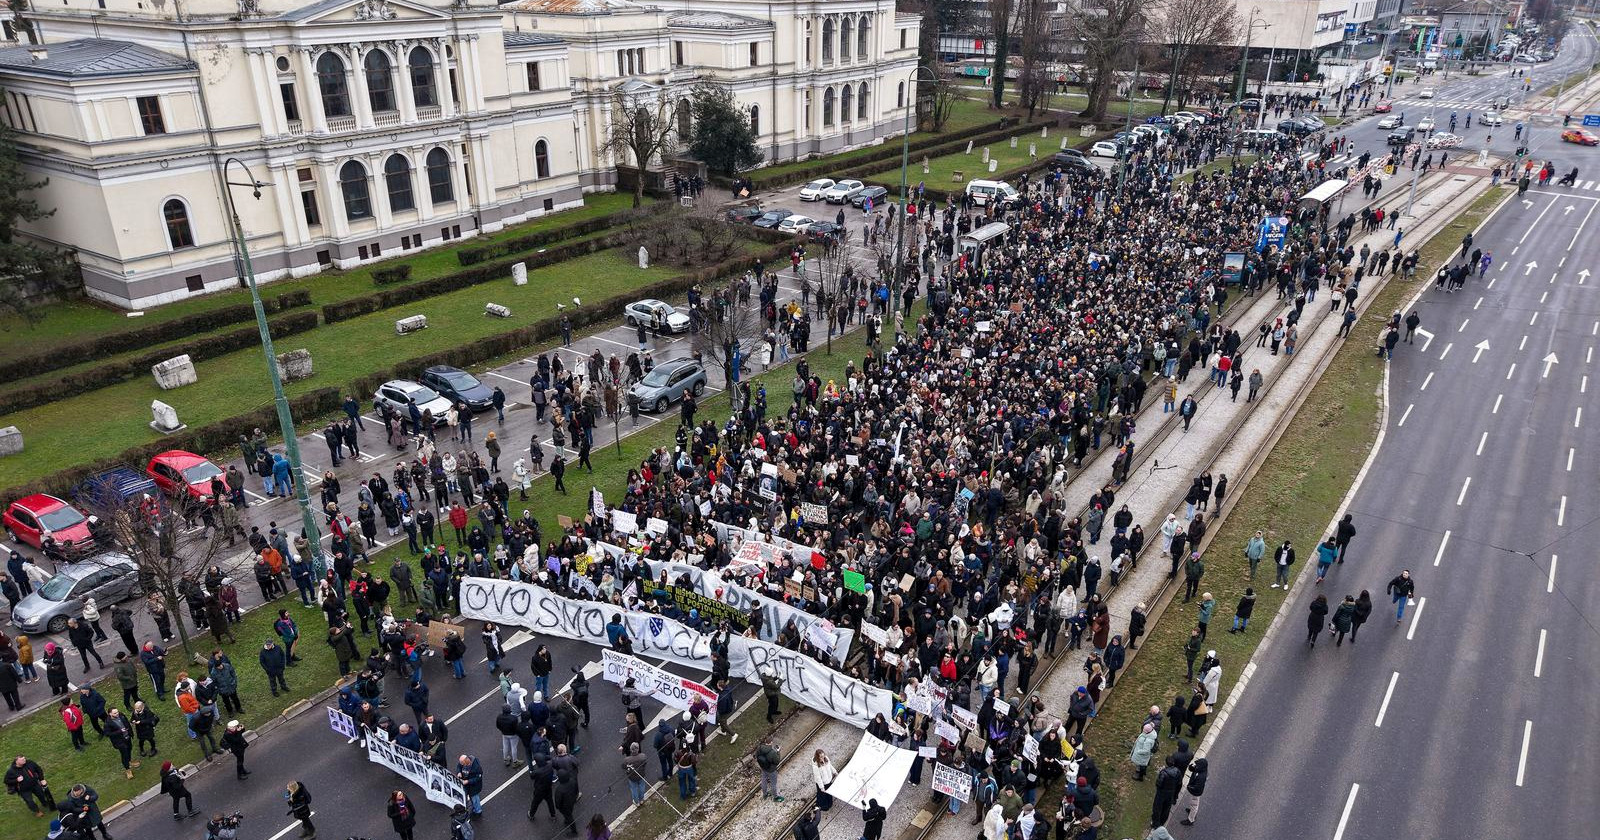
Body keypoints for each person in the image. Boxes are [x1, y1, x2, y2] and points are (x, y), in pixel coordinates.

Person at [1179, 757, 1209, 825]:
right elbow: (1192, 769)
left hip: (1196, 793)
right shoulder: (1201, 769)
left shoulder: (1201, 777)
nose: (1196, 765)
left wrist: (1190, 787)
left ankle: (1190, 820)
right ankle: (1192, 811)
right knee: (1192, 803)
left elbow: (1197, 787)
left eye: (1197, 765)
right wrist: (1191, 767)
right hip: (1194, 791)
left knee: (1194, 805)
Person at [756, 735, 783, 801]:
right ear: (771, 742)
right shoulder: (772, 752)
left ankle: (765, 794)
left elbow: (756, 756)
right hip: (771, 770)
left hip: (763, 768)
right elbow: (777, 761)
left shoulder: (759, 748)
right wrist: (778, 752)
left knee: (763, 781)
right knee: (773, 784)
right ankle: (775, 797)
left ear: (765, 741)